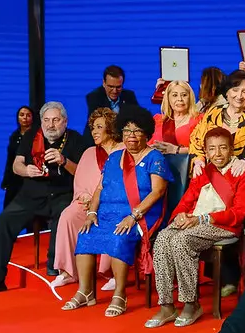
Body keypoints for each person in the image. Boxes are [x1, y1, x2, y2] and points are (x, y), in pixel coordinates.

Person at [63, 106, 173, 317]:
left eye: (137, 130)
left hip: (140, 214)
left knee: (118, 236)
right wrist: (92, 213)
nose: (132, 135)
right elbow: (100, 188)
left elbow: (158, 192)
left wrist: (133, 216)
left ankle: (120, 295)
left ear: (147, 134)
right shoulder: (114, 158)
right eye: (127, 130)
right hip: (107, 213)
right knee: (85, 234)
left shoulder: (155, 158)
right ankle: (86, 292)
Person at [146, 127, 245, 328]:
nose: (217, 154)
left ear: (231, 149)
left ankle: (191, 304)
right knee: (162, 238)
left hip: (223, 226)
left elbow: (239, 213)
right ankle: (167, 305)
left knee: (181, 240)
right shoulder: (203, 172)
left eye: (223, 148)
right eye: (212, 149)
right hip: (194, 221)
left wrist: (204, 219)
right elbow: (186, 201)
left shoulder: (244, 174)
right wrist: (180, 215)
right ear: (205, 151)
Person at [0, 102, 86, 290]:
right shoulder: (31, 135)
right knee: (3, 221)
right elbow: (16, 165)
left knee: (64, 215)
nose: (50, 125)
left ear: (65, 121)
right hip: (31, 194)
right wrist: (26, 170)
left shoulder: (76, 139)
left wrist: (64, 161)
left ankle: (56, 264)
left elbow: (82, 172)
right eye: (46, 120)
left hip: (62, 193)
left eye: (55, 120)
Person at [51, 108, 121, 288]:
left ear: (111, 129)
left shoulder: (123, 150)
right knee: (68, 215)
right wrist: (84, 196)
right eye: (93, 128)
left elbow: (123, 185)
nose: (94, 132)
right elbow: (80, 183)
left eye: (99, 127)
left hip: (112, 204)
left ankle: (113, 273)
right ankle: (68, 272)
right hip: (88, 204)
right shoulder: (89, 152)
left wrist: (99, 202)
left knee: (111, 216)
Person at [190, 69, 245, 199]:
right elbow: (196, 141)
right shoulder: (213, 113)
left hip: (244, 178)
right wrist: (198, 161)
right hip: (211, 177)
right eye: (235, 90)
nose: (239, 96)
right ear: (227, 92)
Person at [84, 65, 138, 146]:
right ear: (104, 83)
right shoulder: (94, 98)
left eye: (118, 87)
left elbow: (137, 118)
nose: (114, 91)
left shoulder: (129, 96)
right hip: (99, 142)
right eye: (111, 87)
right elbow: (98, 125)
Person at [150, 81, 202, 155]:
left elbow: (206, 148)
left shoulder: (200, 120)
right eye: (175, 95)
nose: (180, 99)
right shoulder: (157, 120)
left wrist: (177, 150)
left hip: (189, 161)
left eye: (184, 95)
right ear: (168, 99)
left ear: (190, 98)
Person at [2, 106, 35, 209]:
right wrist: (6, 181)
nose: (25, 118)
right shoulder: (14, 136)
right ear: (17, 118)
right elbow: (10, 160)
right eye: (22, 115)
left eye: (28, 115)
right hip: (14, 178)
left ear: (33, 118)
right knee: (9, 208)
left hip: (31, 177)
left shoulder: (38, 136)